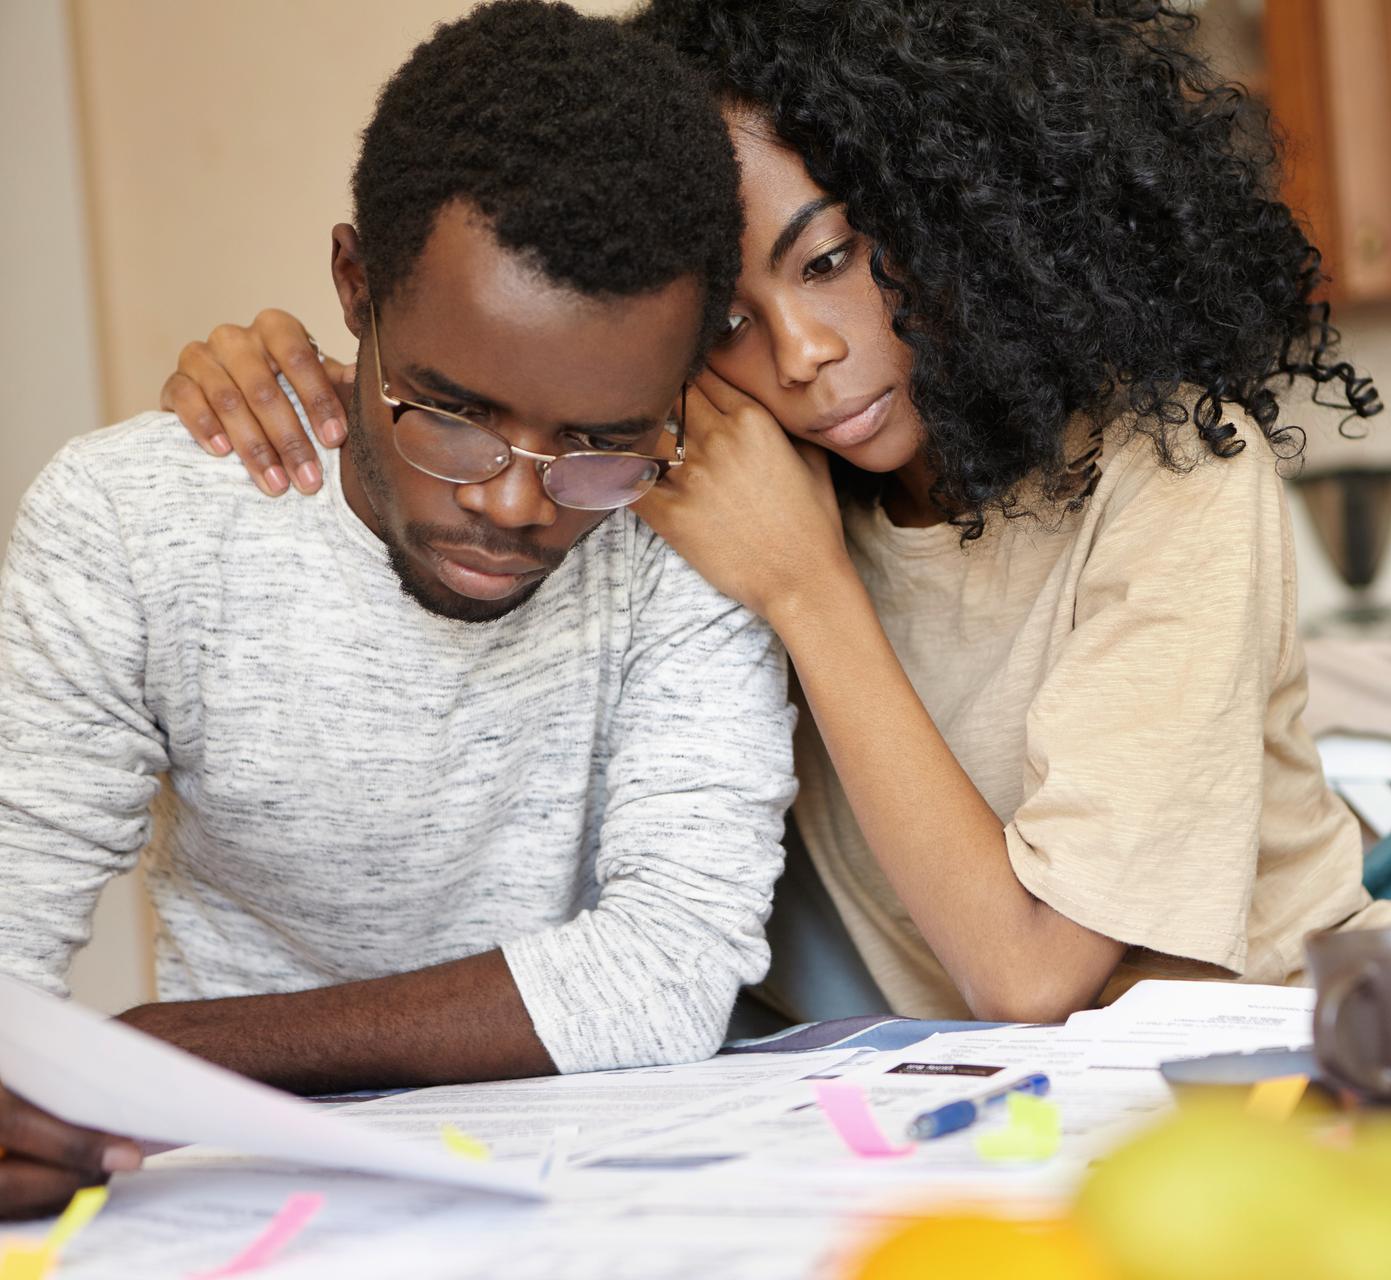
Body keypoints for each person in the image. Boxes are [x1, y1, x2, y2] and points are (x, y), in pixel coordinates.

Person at [158, 0, 1391, 1031]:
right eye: (728, 321)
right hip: (978, 1104)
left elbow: (1030, 976)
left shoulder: (1168, 465)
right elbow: (489, 407)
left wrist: (808, 587)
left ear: (953, 207)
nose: (804, 353)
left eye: (831, 260)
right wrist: (296, 380)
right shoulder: (706, 472)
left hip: (1304, 1060)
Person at [0, 1, 795, 1219]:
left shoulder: (685, 529)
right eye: (455, 414)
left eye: (601, 441)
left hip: (612, 1202)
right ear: (354, 289)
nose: (522, 504)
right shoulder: (132, 521)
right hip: (228, 1200)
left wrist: (170, 1049)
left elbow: (668, 968)